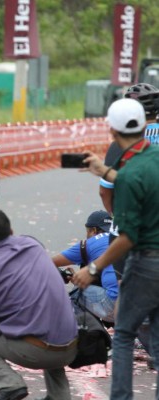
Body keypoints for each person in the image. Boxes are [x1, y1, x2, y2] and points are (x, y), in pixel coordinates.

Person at [73, 98, 159, 399]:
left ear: (111, 130)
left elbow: (127, 237)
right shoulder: (153, 158)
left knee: (123, 334)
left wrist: (93, 268)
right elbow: (136, 181)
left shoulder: (132, 171)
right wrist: (105, 172)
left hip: (147, 262)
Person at [0, 209, 77, 400]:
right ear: (11, 231)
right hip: (71, 346)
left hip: (37, 352)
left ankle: (9, 384)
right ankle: (59, 396)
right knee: (47, 317)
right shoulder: (33, 245)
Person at [52, 210, 118, 323]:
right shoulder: (122, 238)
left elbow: (47, 262)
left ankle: (87, 334)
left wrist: (62, 274)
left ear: (93, 230)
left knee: (77, 294)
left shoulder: (89, 244)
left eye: (87, 231)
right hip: (140, 303)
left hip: (114, 304)